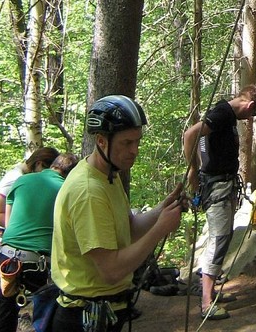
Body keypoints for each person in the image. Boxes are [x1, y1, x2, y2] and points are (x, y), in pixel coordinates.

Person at [50, 95, 187, 332]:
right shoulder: (89, 191)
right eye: (126, 143)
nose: (134, 150)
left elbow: (129, 229)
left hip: (102, 313)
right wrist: (160, 229)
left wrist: (161, 210)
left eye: (137, 142)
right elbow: (111, 271)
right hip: (84, 318)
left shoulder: (107, 177)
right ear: (101, 141)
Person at [183, 84, 256, 321]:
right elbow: (191, 135)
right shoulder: (222, 114)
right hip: (217, 185)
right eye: (253, 113)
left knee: (222, 237)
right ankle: (207, 303)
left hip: (221, 183)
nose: (250, 118)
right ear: (250, 105)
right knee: (219, 239)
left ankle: (211, 293)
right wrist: (193, 171)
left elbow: (202, 142)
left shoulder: (223, 115)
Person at [0, 152, 79, 332]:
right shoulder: (68, 190)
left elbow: (9, 226)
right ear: (70, 174)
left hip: (5, 262)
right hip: (39, 267)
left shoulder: (21, 181)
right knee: (47, 320)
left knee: (2, 320)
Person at [0, 147, 59, 231]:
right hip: (12, 235)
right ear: (39, 164)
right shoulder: (15, 179)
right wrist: (25, 228)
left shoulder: (24, 178)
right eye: (47, 171)